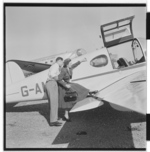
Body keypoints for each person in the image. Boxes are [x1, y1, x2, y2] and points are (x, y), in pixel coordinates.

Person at [45, 57, 64, 126]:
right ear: (59, 61)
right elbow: (52, 75)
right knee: (54, 102)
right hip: (51, 83)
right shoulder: (55, 66)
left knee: (54, 102)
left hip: (52, 83)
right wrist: (59, 79)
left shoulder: (56, 66)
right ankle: (53, 121)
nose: (62, 63)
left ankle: (54, 117)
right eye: (62, 61)